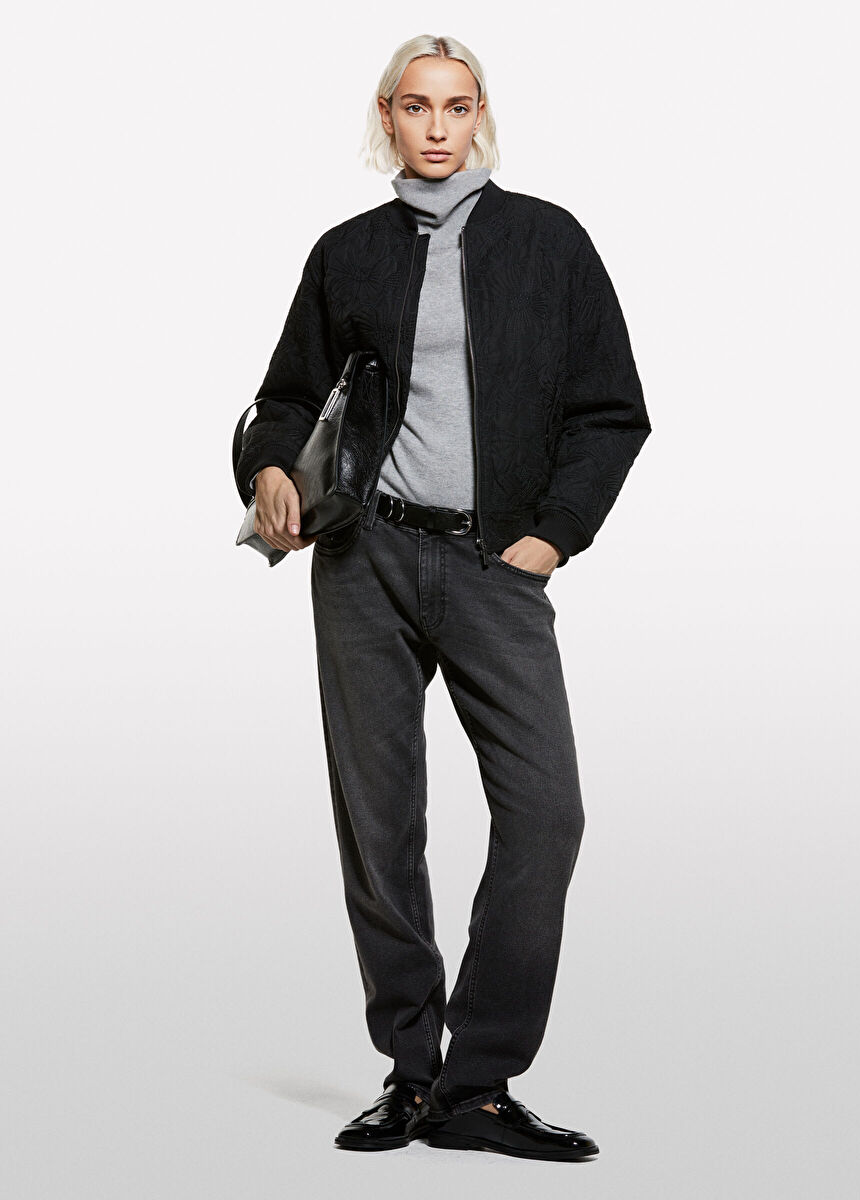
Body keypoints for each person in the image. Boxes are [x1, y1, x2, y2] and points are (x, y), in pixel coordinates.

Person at [235, 34, 651, 1162]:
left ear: (480, 116)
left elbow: (612, 410)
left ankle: (479, 1082)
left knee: (546, 812)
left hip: (492, 565)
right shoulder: (348, 252)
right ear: (387, 116)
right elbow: (286, 397)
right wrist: (268, 466)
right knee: (380, 822)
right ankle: (412, 1073)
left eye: (457, 106)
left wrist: (549, 539)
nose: (436, 127)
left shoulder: (547, 242)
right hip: (363, 558)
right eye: (416, 107)